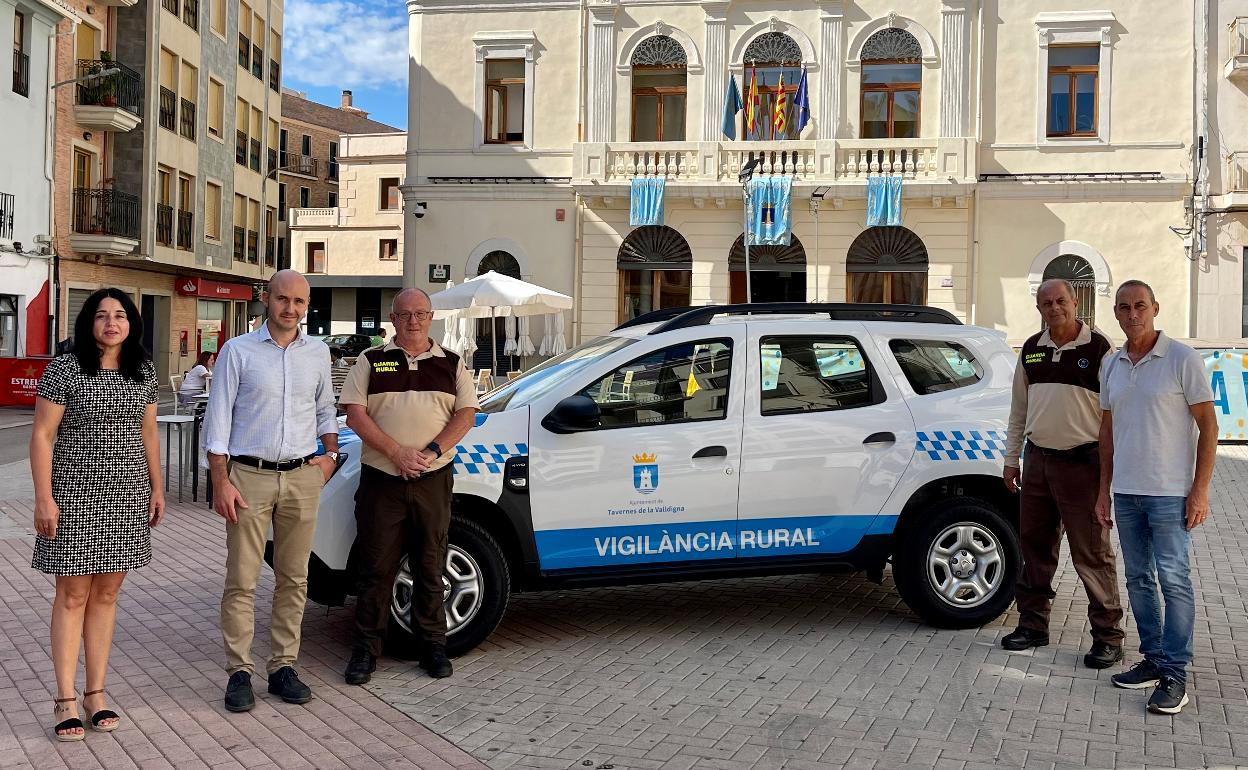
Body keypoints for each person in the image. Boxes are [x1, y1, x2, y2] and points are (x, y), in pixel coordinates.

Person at [29, 288, 164, 741]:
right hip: (72, 497)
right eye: (102, 315)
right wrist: (43, 498)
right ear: (88, 322)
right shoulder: (65, 369)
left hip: (127, 498)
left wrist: (157, 489)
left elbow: (148, 433)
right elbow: (43, 436)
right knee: (72, 596)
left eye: (120, 315)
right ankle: (65, 697)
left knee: (106, 596)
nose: (111, 322)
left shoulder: (141, 371)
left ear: (131, 324)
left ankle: (96, 693)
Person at [203, 270, 339, 713]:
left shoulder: (317, 354)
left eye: (299, 302)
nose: (290, 309)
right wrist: (220, 480)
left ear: (307, 304)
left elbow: (324, 408)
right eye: (283, 299)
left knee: (294, 578)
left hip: (302, 475)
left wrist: (330, 456)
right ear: (267, 299)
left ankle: (283, 666)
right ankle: (239, 672)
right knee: (241, 579)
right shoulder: (237, 352)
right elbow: (217, 419)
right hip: (248, 477)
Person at [339, 288, 478, 685]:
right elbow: (354, 415)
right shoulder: (371, 360)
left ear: (431, 317)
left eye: (420, 313)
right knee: (375, 568)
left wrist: (431, 452)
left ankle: (433, 646)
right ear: (392, 318)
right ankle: (366, 651)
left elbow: (466, 416)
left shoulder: (452, 364)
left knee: (430, 565)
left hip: (433, 478)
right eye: (405, 314)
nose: (413, 320)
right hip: (382, 480)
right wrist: (396, 452)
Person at [1095, 279, 1218, 715]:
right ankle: (1153, 658)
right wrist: (1103, 491)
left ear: (1155, 308)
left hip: (1170, 494)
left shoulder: (1182, 359)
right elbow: (1106, 432)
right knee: (1138, 579)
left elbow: (1209, 427)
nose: (1133, 314)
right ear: (1115, 313)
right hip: (1127, 493)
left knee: (1175, 581)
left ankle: (1176, 674)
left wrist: (1199, 491)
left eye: (1141, 306)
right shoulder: (1112, 365)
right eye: (1125, 307)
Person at [1000, 279, 1125, 668]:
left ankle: (1108, 637)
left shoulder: (1100, 349)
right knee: (1034, 548)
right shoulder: (1032, 350)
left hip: (1083, 465)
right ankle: (1033, 626)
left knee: (1092, 554)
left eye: (1061, 301)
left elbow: (1114, 415)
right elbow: (1018, 410)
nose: (1054, 308)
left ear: (1076, 303)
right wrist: (1011, 459)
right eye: (1046, 303)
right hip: (1038, 463)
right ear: (1038, 308)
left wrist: (1109, 474)